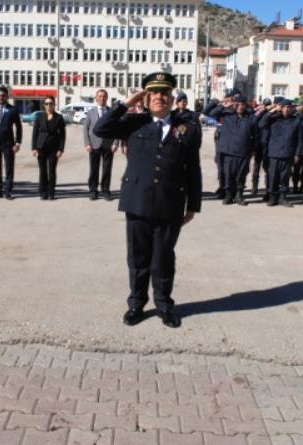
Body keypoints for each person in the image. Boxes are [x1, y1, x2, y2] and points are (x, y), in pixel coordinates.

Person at [93, 72, 202, 329]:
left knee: (163, 258)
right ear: (146, 96)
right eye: (153, 93)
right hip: (137, 201)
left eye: (164, 93)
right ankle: (136, 305)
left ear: (172, 97)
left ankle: (164, 305)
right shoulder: (134, 122)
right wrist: (126, 103)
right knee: (138, 258)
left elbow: (193, 169)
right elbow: (100, 129)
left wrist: (193, 205)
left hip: (170, 203)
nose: (159, 97)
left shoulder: (188, 128)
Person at [207, 95, 258, 205]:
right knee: (228, 175)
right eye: (238, 104)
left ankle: (239, 195)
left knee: (241, 175)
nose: (240, 107)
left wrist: (253, 149)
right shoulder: (226, 115)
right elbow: (208, 112)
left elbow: (256, 135)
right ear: (234, 105)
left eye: (242, 104)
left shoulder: (250, 117)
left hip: (243, 152)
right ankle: (229, 195)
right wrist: (220, 104)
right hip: (228, 151)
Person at [261, 99, 301, 207]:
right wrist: (272, 111)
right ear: (280, 108)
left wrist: (297, 154)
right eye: (284, 107)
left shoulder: (295, 120)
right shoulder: (273, 119)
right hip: (274, 153)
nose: (286, 109)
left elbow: (299, 139)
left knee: (285, 177)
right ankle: (273, 198)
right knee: (273, 177)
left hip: (288, 154)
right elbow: (261, 124)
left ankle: (283, 197)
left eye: (288, 107)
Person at [83, 89, 117, 201]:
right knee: (94, 169)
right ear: (96, 98)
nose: (102, 98)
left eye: (104, 96)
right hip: (94, 145)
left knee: (107, 169)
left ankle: (106, 190)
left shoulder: (111, 112)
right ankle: (93, 191)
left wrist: (115, 143)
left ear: (107, 98)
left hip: (108, 145)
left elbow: (117, 128)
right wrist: (87, 143)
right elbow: (85, 129)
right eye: (100, 96)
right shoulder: (91, 112)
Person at [31, 95, 65, 200]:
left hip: (53, 149)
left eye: (51, 103)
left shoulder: (59, 118)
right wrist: (34, 148)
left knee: (52, 171)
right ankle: (43, 192)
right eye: (47, 104)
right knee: (42, 171)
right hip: (41, 147)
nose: (49, 105)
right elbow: (35, 133)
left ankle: (51, 193)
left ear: (54, 105)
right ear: (44, 105)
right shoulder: (39, 117)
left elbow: (62, 135)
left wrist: (60, 149)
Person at [251, 98, 271, 197]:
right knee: (256, 168)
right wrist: (260, 111)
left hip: (268, 145)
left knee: (268, 169)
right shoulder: (258, 114)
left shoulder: (270, 114)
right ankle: (254, 188)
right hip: (259, 144)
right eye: (265, 105)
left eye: (268, 105)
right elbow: (255, 122)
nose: (266, 107)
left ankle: (268, 189)